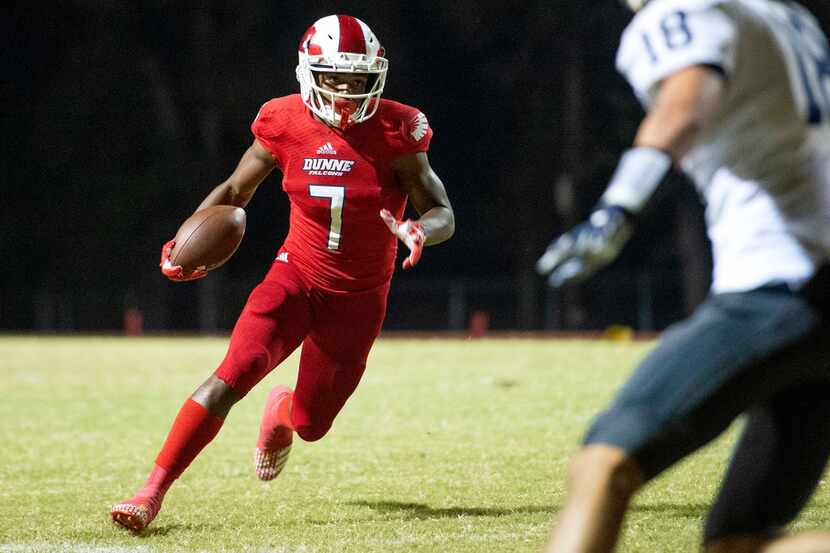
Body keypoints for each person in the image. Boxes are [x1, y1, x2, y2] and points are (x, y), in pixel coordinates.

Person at [110, 14, 454, 532]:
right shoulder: (283, 121)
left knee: (312, 425)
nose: (344, 91)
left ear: (376, 78)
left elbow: (443, 210)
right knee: (231, 375)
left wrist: (420, 230)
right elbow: (233, 192)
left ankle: (282, 413)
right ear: (309, 73)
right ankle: (150, 492)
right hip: (295, 278)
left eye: (357, 80)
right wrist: (183, 246)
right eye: (334, 77)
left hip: (359, 299)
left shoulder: (398, 128)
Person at [536, 0, 830, 551]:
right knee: (739, 542)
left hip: (783, 281)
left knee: (603, 463)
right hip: (813, 282)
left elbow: (685, 103)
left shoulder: (682, 9)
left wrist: (616, 208)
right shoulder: (782, 13)